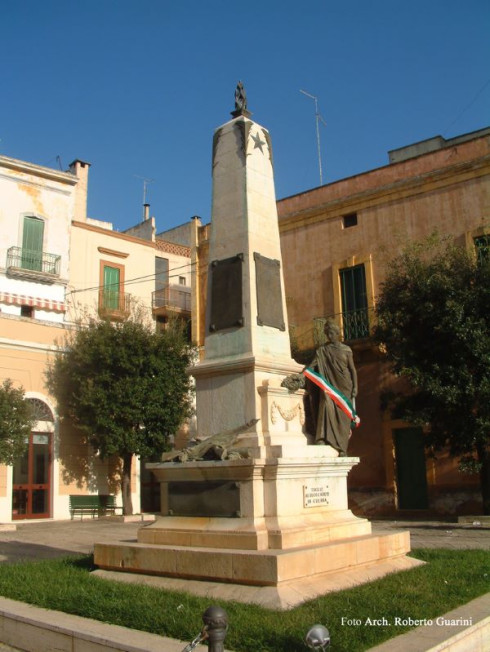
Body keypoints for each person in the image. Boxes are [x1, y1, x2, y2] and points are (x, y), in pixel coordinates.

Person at [307, 320, 358, 455]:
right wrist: (302, 375)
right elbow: (312, 365)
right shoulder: (322, 351)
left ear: (337, 334)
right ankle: (322, 438)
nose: (330, 336)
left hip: (345, 386)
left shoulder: (347, 350)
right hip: (329, 385)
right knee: (326, 405)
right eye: (327, 334)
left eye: (332, 333)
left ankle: (342, 447)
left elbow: (352, 370)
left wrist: (355, 387)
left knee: (344, 416)